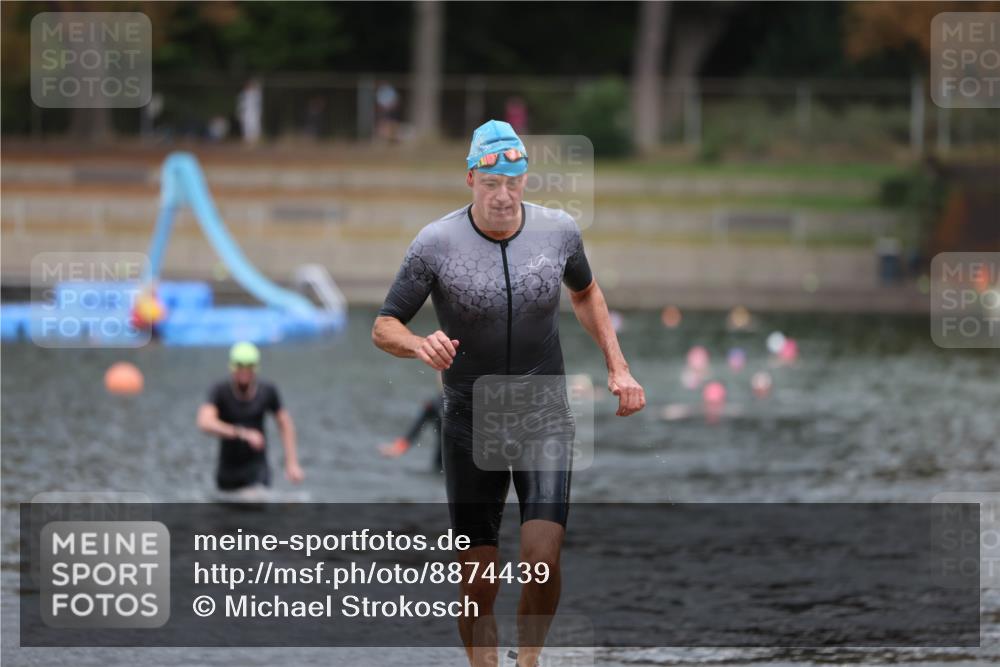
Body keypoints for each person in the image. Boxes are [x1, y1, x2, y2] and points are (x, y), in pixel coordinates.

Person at [372, 120, 645, 667]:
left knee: (543, 554)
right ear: (472, 177)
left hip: (543, 414)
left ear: (525, 179)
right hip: (471, 421)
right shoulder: (436, 243)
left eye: (514, 182)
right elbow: (384, 326)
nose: (504, 196)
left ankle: (529, 662)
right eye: (492, 183)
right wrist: (418, 345)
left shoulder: (559, 231)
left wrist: (618, 366)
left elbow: (587, 293)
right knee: (479, 581)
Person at [196, 342, 304, 491]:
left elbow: (285, 424)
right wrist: (243, 433)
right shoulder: (220, 391)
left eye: (249, 366)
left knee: (256, 502)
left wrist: (292, 463)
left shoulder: (267, 391)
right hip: (228, 470)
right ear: (232, 367)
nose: (244, 371)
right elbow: (204, 422)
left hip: (257, 469)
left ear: (256, 367)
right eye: (240, 365)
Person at [379, 372, 444, 470]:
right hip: (442, 462)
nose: (441, 378)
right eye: (440, 374)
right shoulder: (434, 403)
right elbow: (416, 428)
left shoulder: (470, 400)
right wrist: (398, 448)